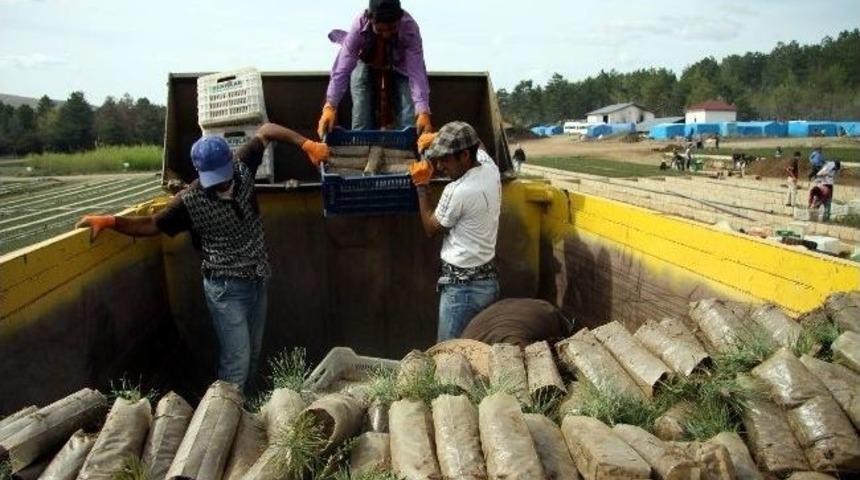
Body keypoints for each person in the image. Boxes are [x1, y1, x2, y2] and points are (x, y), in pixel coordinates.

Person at [75, 123, 329, 392]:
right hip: (226, 290)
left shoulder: (243, 165)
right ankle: (223, 416)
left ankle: (246, 412)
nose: (221, 182)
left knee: (253, 354)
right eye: (213, 178)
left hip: (257, 280)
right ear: (200, 173)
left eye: (223, 174)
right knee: (237, 361)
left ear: (230, 161)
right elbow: (151, 224)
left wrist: (306, 144)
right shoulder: (189, 201)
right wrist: (112, 221)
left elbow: (266, 130)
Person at [409, 122, 501, 342]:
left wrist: (421, 187)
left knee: (448, 353)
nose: (439, 166)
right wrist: (438, 138)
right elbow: (478, 140)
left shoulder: (458, 190)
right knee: (478, 347)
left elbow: (431, 228)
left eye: (445, 159)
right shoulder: (490, 168)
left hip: (462, 292)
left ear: (465, 156)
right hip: (488, 283)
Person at [317, 0, 432, 137]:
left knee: (409, 111)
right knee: (361, 105)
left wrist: (423, 111)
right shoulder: (359, 25)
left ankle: (410, 146)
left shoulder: (409, 27)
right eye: (381, 29)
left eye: (392, 28)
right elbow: (342, 69)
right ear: (370, 19)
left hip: (400, 65)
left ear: (400, 18)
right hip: (364, 59)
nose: (387, 35)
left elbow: (417, 71)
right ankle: (360, 144)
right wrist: (330, 106)